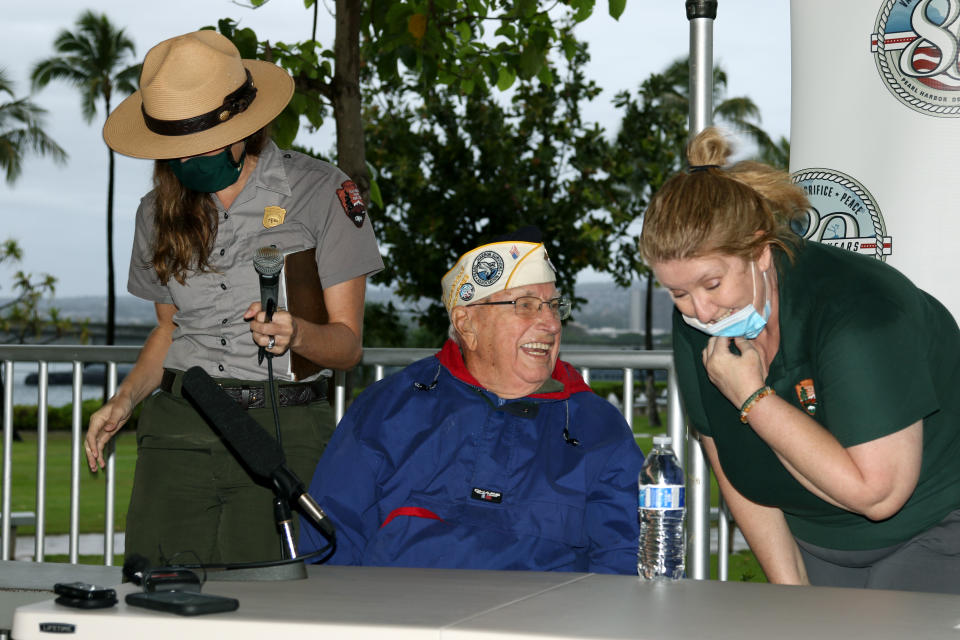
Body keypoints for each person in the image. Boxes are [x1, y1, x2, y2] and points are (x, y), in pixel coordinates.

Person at [85, 31, 383, 567]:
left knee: (273, 610)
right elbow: (169, 330)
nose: (191, 156)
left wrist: (299, 333)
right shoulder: (156, 212)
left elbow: (347, 347)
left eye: (204, 138)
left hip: (282, 431)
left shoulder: (321, 192)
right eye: (178, 144)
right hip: (180, 424)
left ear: (243, 126)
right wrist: (123, 401)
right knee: (157, 595)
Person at [640, 127, 960, 593]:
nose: (701, 311)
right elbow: (734, 473)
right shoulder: (700, 322)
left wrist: (752, 398)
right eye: (678, 293)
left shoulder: (857, 310)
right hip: (818, 540)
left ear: (760, 251)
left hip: (935, 527)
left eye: (712, 284)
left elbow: (877, 495)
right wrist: (792, 594)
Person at [299, 228, 645, 573]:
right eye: (525, 305)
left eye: (554, 306)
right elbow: (328, 544)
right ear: (467, 324)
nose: (551, 323)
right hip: (400, 618)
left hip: (541, 624)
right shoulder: (389, 409)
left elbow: (625, 561)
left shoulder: (597, 429)